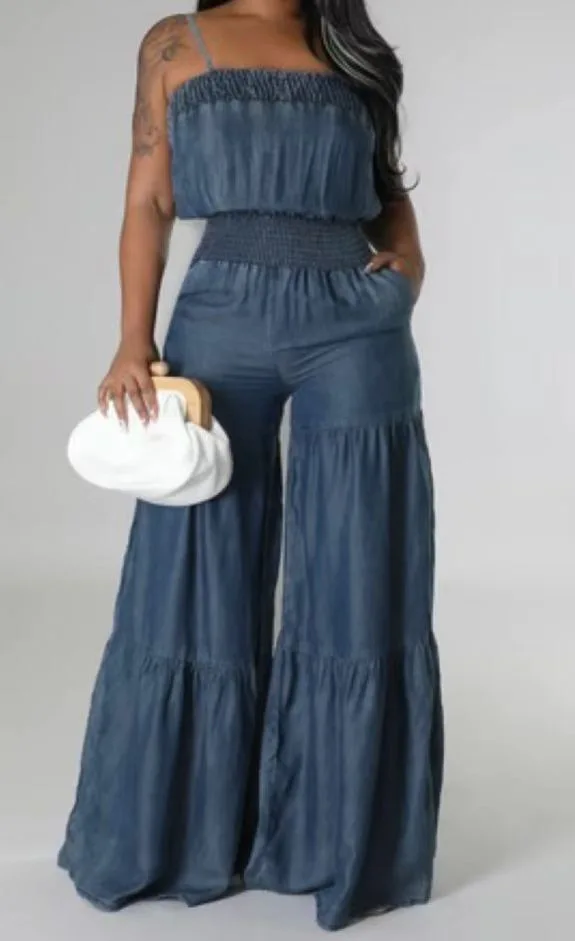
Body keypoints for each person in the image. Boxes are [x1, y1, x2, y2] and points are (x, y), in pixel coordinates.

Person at [58, 0, 444, 931]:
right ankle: (179, 834)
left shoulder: (348, 48)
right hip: (221, 310)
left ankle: (337, 843)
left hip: (354, 325)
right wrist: (131, 339)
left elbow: (387, 190)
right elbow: (148, 200)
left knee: (359, 570)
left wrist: (406, 265)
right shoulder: (173, 43)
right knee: (194, 566)